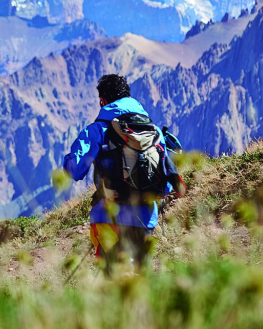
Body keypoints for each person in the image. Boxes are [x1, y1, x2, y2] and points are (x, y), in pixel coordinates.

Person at [62, 74, 184, 272]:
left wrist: (68, 160)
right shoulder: (153, 131)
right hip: (146, 220)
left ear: (103, 100)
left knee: (114, 279)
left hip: (109, 217)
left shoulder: (97, 130)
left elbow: (76, 171)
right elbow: (167, 182)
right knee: (138, 278)